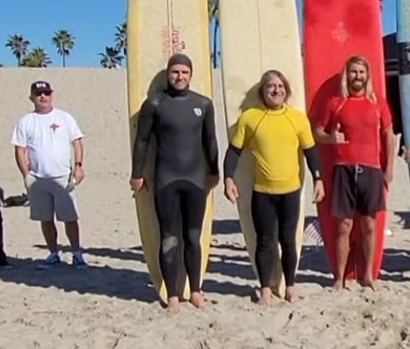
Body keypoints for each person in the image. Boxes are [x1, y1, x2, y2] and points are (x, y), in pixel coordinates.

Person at [223, 70, 326, 305]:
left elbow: (311, 153)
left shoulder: (298, 118)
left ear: (286, 91)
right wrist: (228, 177)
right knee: (265, 241)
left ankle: (290, 286)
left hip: (291, 192)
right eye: (271, 86)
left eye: (280, 86)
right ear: (263, 91)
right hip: (262, 192)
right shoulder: (250, 117)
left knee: (289, 240)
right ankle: (266, 288)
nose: (276, 90)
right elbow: (234, 151)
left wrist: (318, 179)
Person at [129, 54, 219, 311]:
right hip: (166, 179)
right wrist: (137, 173)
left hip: (196, 179)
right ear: (168, 74)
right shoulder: (155, 103)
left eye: (184, 72)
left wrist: (215, 171)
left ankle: (197, 290)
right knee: (169, 238)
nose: (180, 77)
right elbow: (143, 140)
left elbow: (210, 141)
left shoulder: (203, 104)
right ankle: (173, 295)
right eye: (175, 72)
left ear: (191, 75)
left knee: (193, 237)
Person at [313, 55, 395, 290]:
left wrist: (389, 168)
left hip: (371, 170)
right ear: (346, 75)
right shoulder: (335, 102)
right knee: (344, 227)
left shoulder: (377, 102)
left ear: (367, 75)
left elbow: (388, 135)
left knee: (369, 225)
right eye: (353, 72)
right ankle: (339, 278)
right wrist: (330, 138)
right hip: (343, 171)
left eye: (361, 72)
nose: (357, 76)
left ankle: (367, 275)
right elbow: (317, 131)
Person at [11, 80, 87, 268]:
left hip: (62, 176)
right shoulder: (26, 121)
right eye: (39, 94)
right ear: (32, 97)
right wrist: (26, 175)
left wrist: (78, 166)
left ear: (52, 95)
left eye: (46, 93)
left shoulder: (64, 118)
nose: (43, 96)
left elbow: (77, 142)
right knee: (45, 218)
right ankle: (53, 253)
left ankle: (77, 253)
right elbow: (20, 149)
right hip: (38, 178)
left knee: (70, 217)